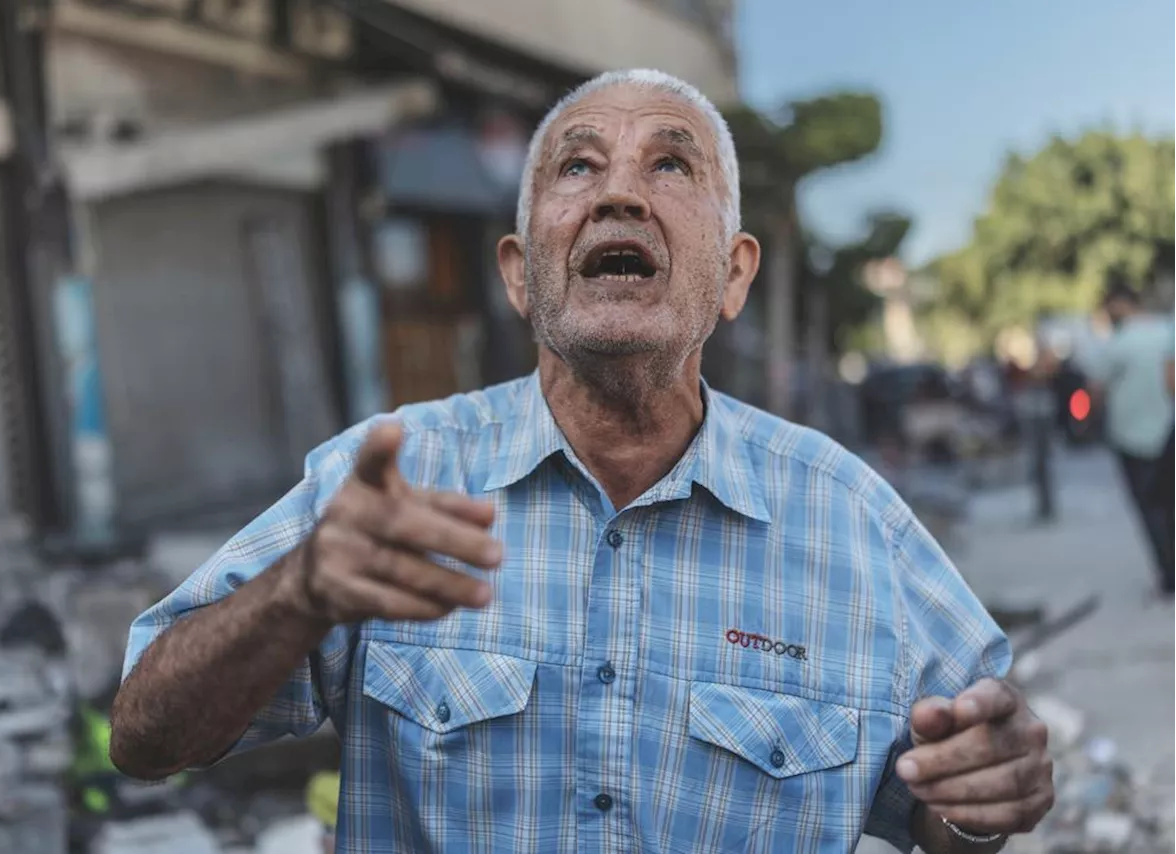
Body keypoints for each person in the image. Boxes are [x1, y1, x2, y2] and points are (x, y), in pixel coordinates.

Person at [109, 70, 1053, 853]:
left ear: (731, 276)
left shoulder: (854, 521)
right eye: (579, 165)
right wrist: (296, 592)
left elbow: (957, 804)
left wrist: (987, 799)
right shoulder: (392, 477)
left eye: (671, 164)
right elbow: (144, 738)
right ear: (521, 273)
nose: (619, 193)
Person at [1084, 279, 1176, 597]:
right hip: (1168, 433)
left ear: (1120, 304)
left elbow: (1095, 390)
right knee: (1169, 505)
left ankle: (1169, 576)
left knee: (1150, 509)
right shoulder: (1166, 331)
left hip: (1133, 438)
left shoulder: (1118, 343)